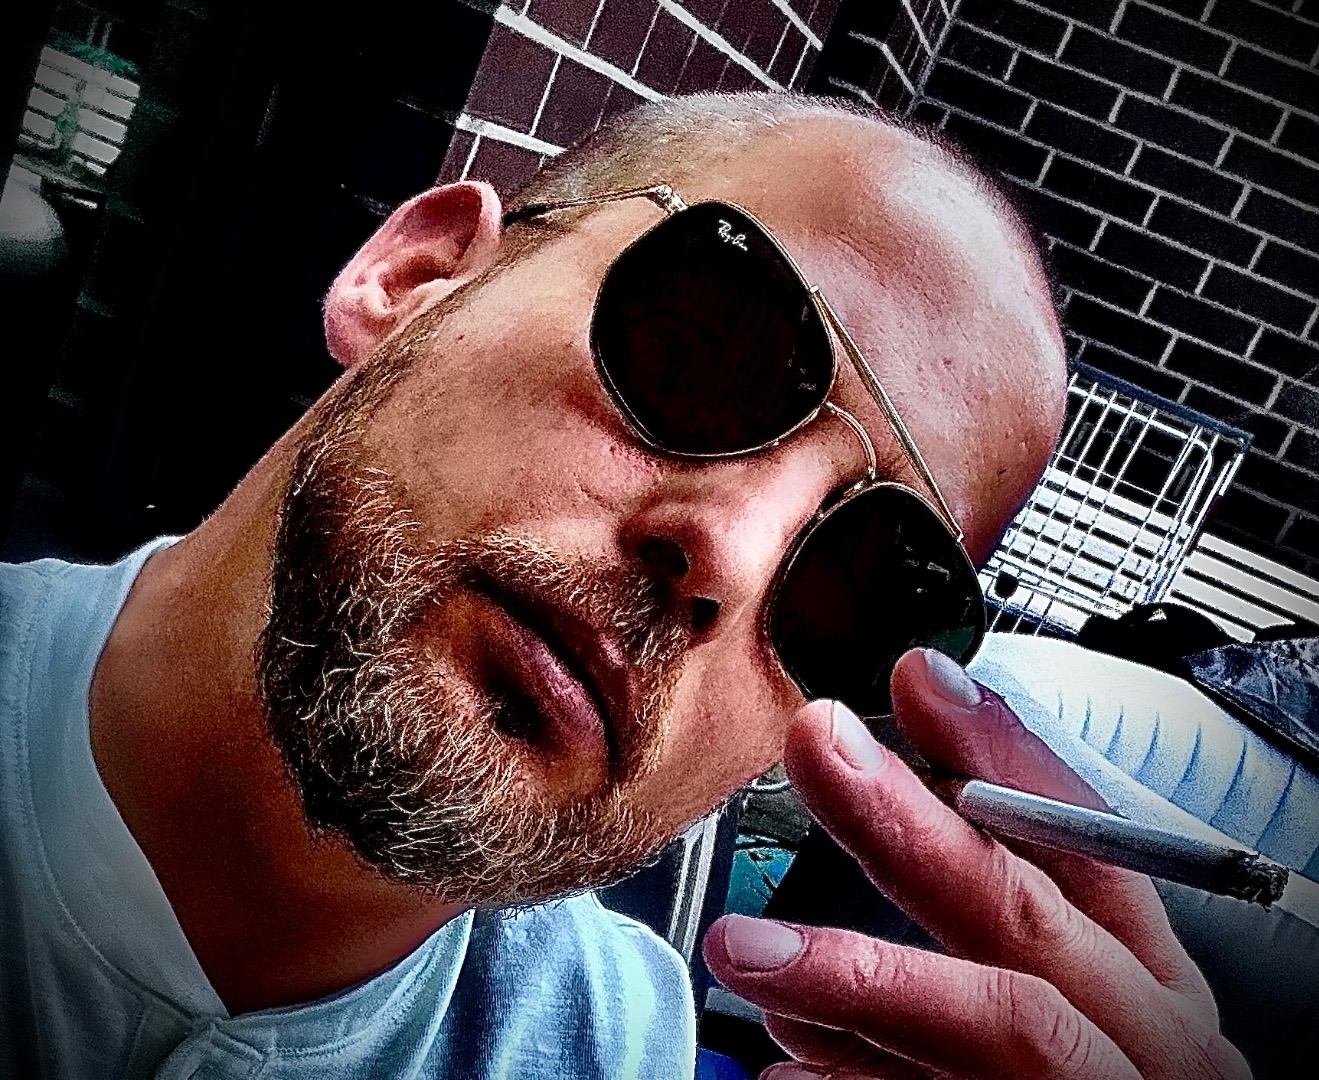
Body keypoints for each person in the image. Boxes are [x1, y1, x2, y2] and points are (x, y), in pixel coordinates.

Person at [0, 92, 1250, 1079]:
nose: (731, 560)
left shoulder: (616, 1043)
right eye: (703, 350)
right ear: (416, 277)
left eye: (861, 586)